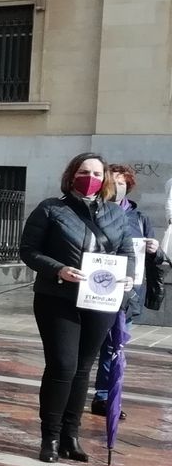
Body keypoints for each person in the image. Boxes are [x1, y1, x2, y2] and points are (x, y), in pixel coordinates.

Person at [20, 153, 137, 463]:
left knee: (84, 368)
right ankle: (51, 437)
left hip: (101, 299)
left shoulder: (116, 213)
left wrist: (128, 279)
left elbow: (127, 252)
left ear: (105, 180)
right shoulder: (50, 209)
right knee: (63, 365)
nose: (91, 178)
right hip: (57, 298)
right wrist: (58, 268)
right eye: (85, 172)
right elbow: (28, 250)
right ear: (72, 175)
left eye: (97, 173)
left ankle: (72, 435)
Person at [91, 164, 164, 417]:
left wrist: (156, 249)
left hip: (127, 294)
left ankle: (104, 397)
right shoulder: (92, 213)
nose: (118, 187)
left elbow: (156, 260)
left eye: (123, 183)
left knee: (114, 347)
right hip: (95, 291)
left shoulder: (139, 218)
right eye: (113, 182)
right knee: (88, 347)